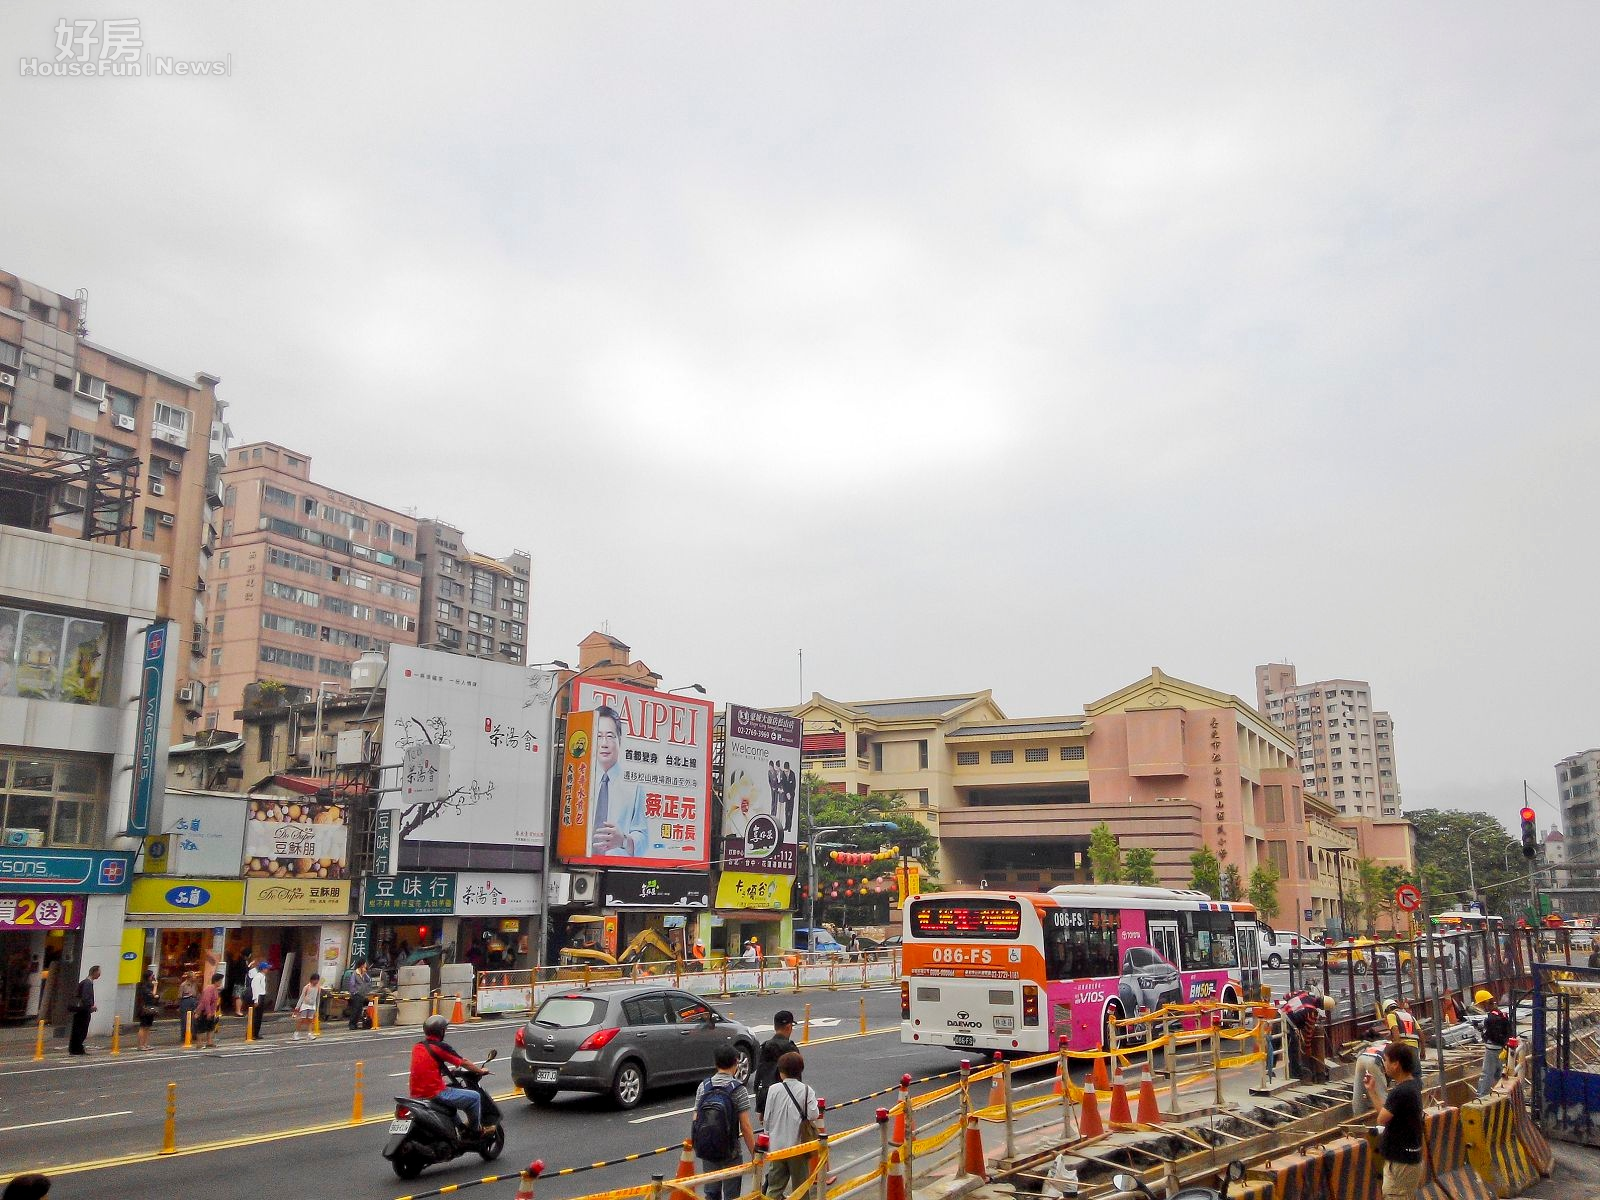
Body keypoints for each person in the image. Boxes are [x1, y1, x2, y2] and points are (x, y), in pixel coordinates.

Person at [691, 1044, 758, 1200]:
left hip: (708, 1148)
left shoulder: (704, 1086)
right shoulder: (738, 1089)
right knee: (732, 1195)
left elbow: (696, 1118)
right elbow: (745, 1126)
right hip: (731, 1151)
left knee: (711, 1193)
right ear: (736, 1063)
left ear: (716, 1063)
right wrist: (755, 1154)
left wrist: (699, 1143)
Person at [409, 1014, 493, 1135]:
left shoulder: (418, 1046)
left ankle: (460, 1128)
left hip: (416, 1093)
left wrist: (446, 1072)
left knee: (450, 1091)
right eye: (445, 1029)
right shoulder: (440, 1047)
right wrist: (480, 1071)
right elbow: (464, 1062)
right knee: (475, 1097)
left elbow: (426, 1065)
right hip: (434, 1093)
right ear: (441, 1031)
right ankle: (475, 1132)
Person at [1365, 1041, 1424, 1199]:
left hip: (1400, 1163)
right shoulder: (1413, 1086)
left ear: (1396, 1064)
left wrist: (1373, 1092)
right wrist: (1372, 1091)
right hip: (1409, 1160)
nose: (1384, 1064)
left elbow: (1381, 1119)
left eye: (1386, 1060)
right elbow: (1386, 1114)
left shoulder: (1400, 1092)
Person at [762, 1051, 822, 1199]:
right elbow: (813, 1114)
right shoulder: (806, 1090)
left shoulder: (773, 1090)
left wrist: (768, 1136)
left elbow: (767, 1118)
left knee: (774, 1188)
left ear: (781, 1072)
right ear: (800, 1070)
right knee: (801, 1188)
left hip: (777, 1147)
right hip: (798, 1147)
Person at [589, 705, 647, 856]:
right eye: (599, 736)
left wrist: (623, 841)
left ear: (619, 739)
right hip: (577, 862)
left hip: (617, 865)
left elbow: (644, 838)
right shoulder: (581, 780)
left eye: (610, 736)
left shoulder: (634, 786)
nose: (604, 743)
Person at [754, 1009, 799, 1115]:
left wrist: (760, 1106)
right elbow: (797, 1078)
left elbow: (759, 1076)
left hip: (767, 1096)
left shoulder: (765, 1046)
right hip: (786, 1098)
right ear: (789, 1027)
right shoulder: (791, 1049)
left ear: (775, 1027)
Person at [1476, 989, 1511, 1097]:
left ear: (1485, 1003)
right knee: (1500, 1073)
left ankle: (1482, 1095)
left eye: (1480, 1005)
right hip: (1503, 1049)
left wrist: (1483, 1033)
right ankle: (1503, 1094)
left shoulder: (1490, 1019)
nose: (1480, 1008)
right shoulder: (1502, 1014)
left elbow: (1491, 1035)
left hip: (1492, 1049)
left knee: (1486, 1074)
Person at [67, 965, 99, 1055]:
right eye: (99, 972)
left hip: (81, 1010)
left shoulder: (86, 982)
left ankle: (75, 1049)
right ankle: (77, 1049)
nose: (100, 974)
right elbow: (86, 997)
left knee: (78, 1029)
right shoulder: (87, 983)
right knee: (81, 1030)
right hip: (83, 1010)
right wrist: (90, 1006)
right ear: (94, 972)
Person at [195, 971, 223, 1050]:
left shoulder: (215, 989)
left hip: (211, 1011)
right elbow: (206, 1001)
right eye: (220, 981)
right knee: (201, 1027)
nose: (221, 982)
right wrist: (208, 1012)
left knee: (210, 1027)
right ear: (216, 981)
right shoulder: (209, 988)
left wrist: (213, 1012)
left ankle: (209, 1042)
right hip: (204, 1011)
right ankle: (199, 1044)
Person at [134, 969, 158, 1051]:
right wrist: (155, 986)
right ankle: (140, 1045)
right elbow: (152, 995)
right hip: (144, 1008)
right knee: (143, 1026)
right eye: (152, 976)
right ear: (149, 977)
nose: (153, 977)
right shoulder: (144, 986)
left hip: (149, 1007)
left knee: (147, 1027)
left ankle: (145, 1044)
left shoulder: (147, 985)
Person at [345, 959, 372, 1029]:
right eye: (365, 964)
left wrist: (365, 973)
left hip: (362, 994)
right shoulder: (355, 973)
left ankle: (355, 1024)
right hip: (356, 994)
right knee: (355, 1009)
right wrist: (354, 992)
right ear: (362, 965)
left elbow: (369, 980)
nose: (366, 965)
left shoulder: (363, 973)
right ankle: (352, 1024)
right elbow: (352, 984)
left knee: (359, 1010)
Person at [294, 973, 322, 1041]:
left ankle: (309, 1034)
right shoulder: (307, 987)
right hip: (305, 1005)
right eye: (315, 980)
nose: (316, 982)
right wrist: (297, 1007)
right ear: (312, 980)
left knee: (310, 1020)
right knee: (302, 1019)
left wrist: (317, 1008)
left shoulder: (318, 987)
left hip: (312, 1006)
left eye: (317, 980)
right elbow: (302, 996)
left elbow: (318, 998)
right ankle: (296, 1033)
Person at [247, 959, 268, 1038]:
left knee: (259, 1016)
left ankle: (256, 1033)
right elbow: (255, 988)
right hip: (259, 997)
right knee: (256, 1016)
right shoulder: (258, 976)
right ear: (263, 969)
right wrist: (256, 1000)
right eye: (266, 968)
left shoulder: (261, 976)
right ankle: (253, 1033)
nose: (267, 970)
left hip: (261, 996)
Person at [177, 971, 198, 1044]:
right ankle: (184, 1036)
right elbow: (179, 996)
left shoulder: (195, 984)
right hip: (186, 1001)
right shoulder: (183, 985)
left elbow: (196, 993)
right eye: (194, 976)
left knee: (194, 1018)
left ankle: (194, 1034)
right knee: (185, 1019)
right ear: (189, 978)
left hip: (194, 1000)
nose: (195, 978)